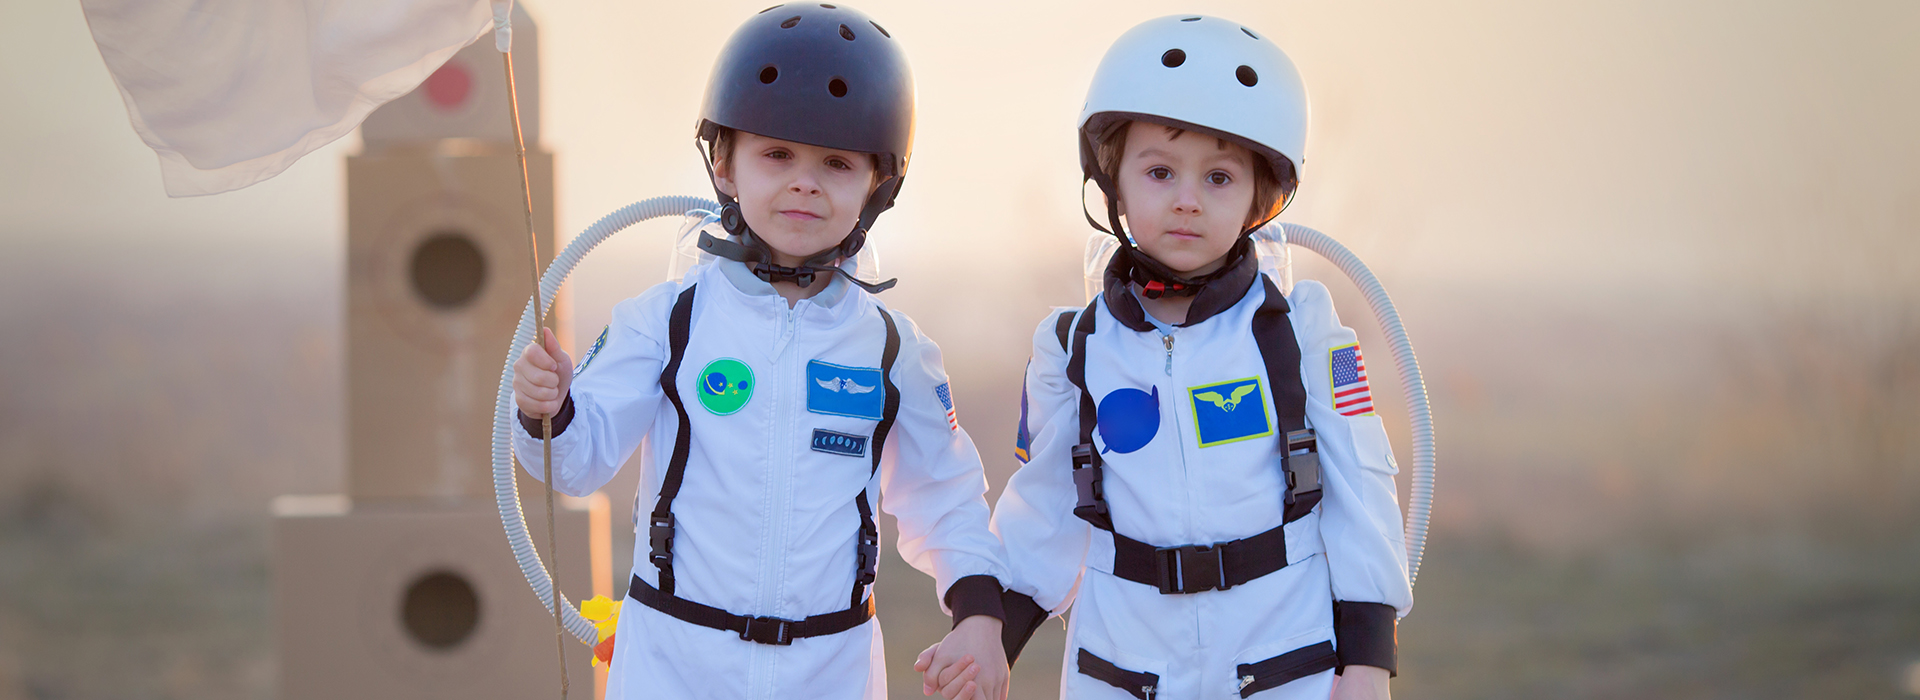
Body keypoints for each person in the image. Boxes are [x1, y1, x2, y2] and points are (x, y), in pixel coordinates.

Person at [510, 5, 1010, 699]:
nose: (804, 181)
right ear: (724, 162)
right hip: (674, 667)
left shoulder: (896, 350)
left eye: (836, 162)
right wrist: (549, 408)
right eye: (777, 154)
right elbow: (572, 463)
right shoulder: (667, 319)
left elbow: (947, 502)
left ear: (879, 185)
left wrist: (981, 619)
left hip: (829, 670)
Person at [925, 14, 1411, 700]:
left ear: (1259, 197)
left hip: (1282, 662)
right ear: (1113, 183)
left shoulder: (1302, 334)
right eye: (1159, 172)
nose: (1187, 200)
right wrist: (989, 635)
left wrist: (1365, 662)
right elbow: (1048, 509)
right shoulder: (1073, 349)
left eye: (1218, 177)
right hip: (1125, 667)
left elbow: (1362, 496)